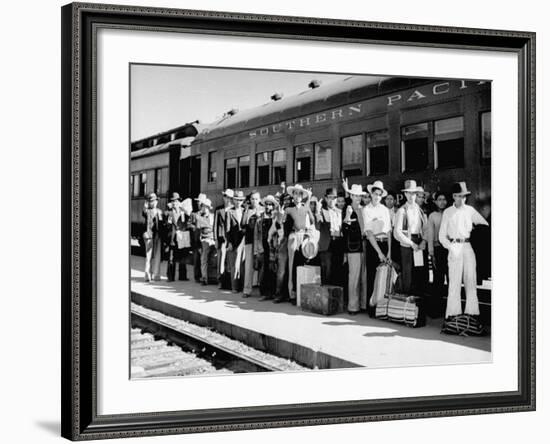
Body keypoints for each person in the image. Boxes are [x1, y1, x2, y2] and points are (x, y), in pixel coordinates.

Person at [439, 182, 489, 320]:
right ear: (454, 196)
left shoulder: (470, 210)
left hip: (467, 247)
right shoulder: (448, 212)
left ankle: (472, 314)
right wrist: (451, 247)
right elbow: (441, 237)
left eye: (464, 196)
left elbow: (484, 224)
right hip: (454, 246)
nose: (462, 199)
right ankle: (453, 315)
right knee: (454, 282)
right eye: (459, 196)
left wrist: (475, 232)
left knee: (470, 281)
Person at [394, 180, 429, 295]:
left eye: (413, 193)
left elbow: (425, 228)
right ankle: (407, 304)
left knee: (419, 273)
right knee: (408, 274)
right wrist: (411, 243)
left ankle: (418, 304)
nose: (411, 196)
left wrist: (424, 240)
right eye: (409, 193)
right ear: (405, 194)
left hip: (419, 243)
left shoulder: (419, 210)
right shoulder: (401, 211)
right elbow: (397, 233)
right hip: (407, 245)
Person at [363, 181, 392, 317]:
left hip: (385, 243)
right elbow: (369, 233)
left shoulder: (385, 210)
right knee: (372, 277)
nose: (377, 197)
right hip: (373, 245)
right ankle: (372, 308)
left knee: (385, 276)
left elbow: (389, 232)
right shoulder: (366, 209)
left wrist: (389, 251)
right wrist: (379, 253)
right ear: (371, 194)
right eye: (375, 194)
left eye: (380, 195)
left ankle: (383, 308)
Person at [284, 184, 317, 304]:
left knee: (302, 264)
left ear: (302, 196)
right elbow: (284, 226)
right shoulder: (288, 209)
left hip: (304, 237)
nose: (297, 196)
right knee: (292, 265)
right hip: (293, 236)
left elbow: (312, 221)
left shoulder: (305, 208)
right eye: (295, 194)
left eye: (300, 194)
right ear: (292, 195)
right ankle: (291, 293)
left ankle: (301, 292)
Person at [341, 183, 368, 314]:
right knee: (354, 277)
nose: (357, 198)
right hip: (353, 247)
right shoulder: (347, 209)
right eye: (355, 195)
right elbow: (343, 230)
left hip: (365, 244)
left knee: (364, 276)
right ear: (351, 196)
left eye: (359, 196)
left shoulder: (364, 209)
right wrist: (347, 217)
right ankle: (353, 306)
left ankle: (363, 304)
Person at [427, 191, 449, 317]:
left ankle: (450, 309)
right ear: (435, 202)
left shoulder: (450, 213)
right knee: (438, 280)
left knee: (451, 279)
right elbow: (430, 235)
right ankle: (436, 309)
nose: (442, 202)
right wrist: (431, 251)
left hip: (449, 249)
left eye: (444, 199)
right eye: (439, 199)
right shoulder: (432, 216)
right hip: (438, 249)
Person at [317, 187, 343, 286]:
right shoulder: (321, 211)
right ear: (326, 198)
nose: (332, 200)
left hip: (337, 243)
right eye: (330, 197)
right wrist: (318, 212)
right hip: (326, 244)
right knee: (326, 270)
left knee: (337, 270)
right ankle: (325, 297)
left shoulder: (339, 212)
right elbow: (318, 224)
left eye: (334, 197)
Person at [255, 194, 278, 300]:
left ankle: (273, 292)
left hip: (273, 246)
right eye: (267, 204)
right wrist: (258, 249)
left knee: (273, 269)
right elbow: (257, 234)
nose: (268, 206)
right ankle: (264, 292)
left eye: (270, 204)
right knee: (264, 270)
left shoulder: (275, 217)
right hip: (263, 246)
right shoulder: (260, 218)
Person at [241, 191, 263, 297]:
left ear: (260, 199)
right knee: (249, 265)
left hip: (261, 241)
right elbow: (243, 225)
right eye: (252, 199)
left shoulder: (263, 209)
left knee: (262, 265)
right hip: (250, 241)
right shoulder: (247, 210)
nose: (254, 201)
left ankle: (262, 289)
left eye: (256, 199)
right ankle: (247, 289)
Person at [165, 192, 189, 282]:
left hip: (181, 237)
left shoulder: (183, 212)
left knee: (183, 257)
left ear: (179, 201)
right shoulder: (169, 213)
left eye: (176, 201)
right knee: (171, 258)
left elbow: (188, 219)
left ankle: (182, 276)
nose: (175, 203)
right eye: (173, 201)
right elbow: (167, 225)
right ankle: (170, 277)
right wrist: (168, 210)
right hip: (173, 238)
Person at [272, 191, 291, 303]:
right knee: (281, 270)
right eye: (285, 200)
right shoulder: (280, 212)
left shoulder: (293, 210)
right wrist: (280, 215)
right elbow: (277, 226)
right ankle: (278, 294)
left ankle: (288, 294)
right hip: (283, 241)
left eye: (289, 199)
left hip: (292, 240)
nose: (287, 201)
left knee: (290, 269)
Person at [225, 190, 246, 293]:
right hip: (233, 240)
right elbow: (227, 229)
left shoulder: (245, 210)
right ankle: (234, 286)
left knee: (242, 264)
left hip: (244, 240)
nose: (238, 202)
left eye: (240, 200)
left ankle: (242, 286)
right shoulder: (229, 212)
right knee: (234, 264)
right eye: (236, 200)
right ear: (233, 200)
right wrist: (229, 242)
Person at [213, 189, 234, 289]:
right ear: (223, 197)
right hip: (221, 239)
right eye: (226, 197)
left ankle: (229, 282)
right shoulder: (218, 209)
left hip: (231, 239)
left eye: (230, 198)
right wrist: (215, 239)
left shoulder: (234, 209)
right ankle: (220, 281)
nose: (228, 199)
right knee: (221, 261)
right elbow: (215, 226)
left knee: (230, 261)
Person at [142, 192, 163, 282]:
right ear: (149, 202)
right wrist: (145, 205)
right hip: (149, 235)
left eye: (155, 201)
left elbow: (162, 223)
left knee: (157, 255)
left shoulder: (159, 211)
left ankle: (156, 275)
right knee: (149, 255)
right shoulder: (147, 211)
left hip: (158, 235)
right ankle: (147, 275)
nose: (154, 202)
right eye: (152, 201)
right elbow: (144, 212)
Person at [195, 197, 215, 285]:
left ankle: (214, 277)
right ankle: (204, 278)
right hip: (204, 239)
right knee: (204, 258)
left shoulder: (213, 216)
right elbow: (198, 232)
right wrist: (198, 245)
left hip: (213, 239)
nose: (205, 209)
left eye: (206, 207)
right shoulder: (199, 218)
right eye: (203, 207)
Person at [190, 193, 207, 283]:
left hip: (204, 238)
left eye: (199, 202)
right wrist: (194, 227)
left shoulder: (206, 214)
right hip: (196, 239)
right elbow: (190, 224)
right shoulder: (194, 214)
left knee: (203, 259)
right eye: (197, 202)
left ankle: (204, 275)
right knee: (197, 259)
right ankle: (197, 276)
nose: (198, 203)